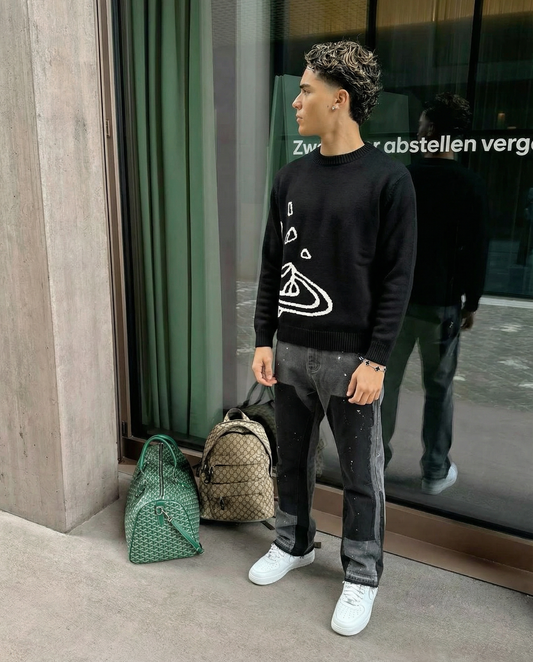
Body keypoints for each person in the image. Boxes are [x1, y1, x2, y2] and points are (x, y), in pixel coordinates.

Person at [249, 40, 416, 636]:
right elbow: (273, 263)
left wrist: (377, 360)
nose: (296, 102)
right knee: (292, 459)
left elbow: (398, 279)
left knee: (360, 475)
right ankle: (292, 542)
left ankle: (362, 575)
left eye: (305, 91)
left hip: (352, 360)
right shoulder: (291, 177)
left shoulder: (388, 180)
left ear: (339, 100)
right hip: (291, 349)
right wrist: (264, 338)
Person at [381, 93, 489, 495]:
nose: (417, 132)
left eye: (421, 125)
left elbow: (382, 243)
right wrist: (471, 302)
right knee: (439, 389)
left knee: (384, 385)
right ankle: (434, 471)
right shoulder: (470, 185)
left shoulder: (401, 178)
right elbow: (477, 250)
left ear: (429, 131)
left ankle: (374, 461)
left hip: (395, 303)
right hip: (441, 306)